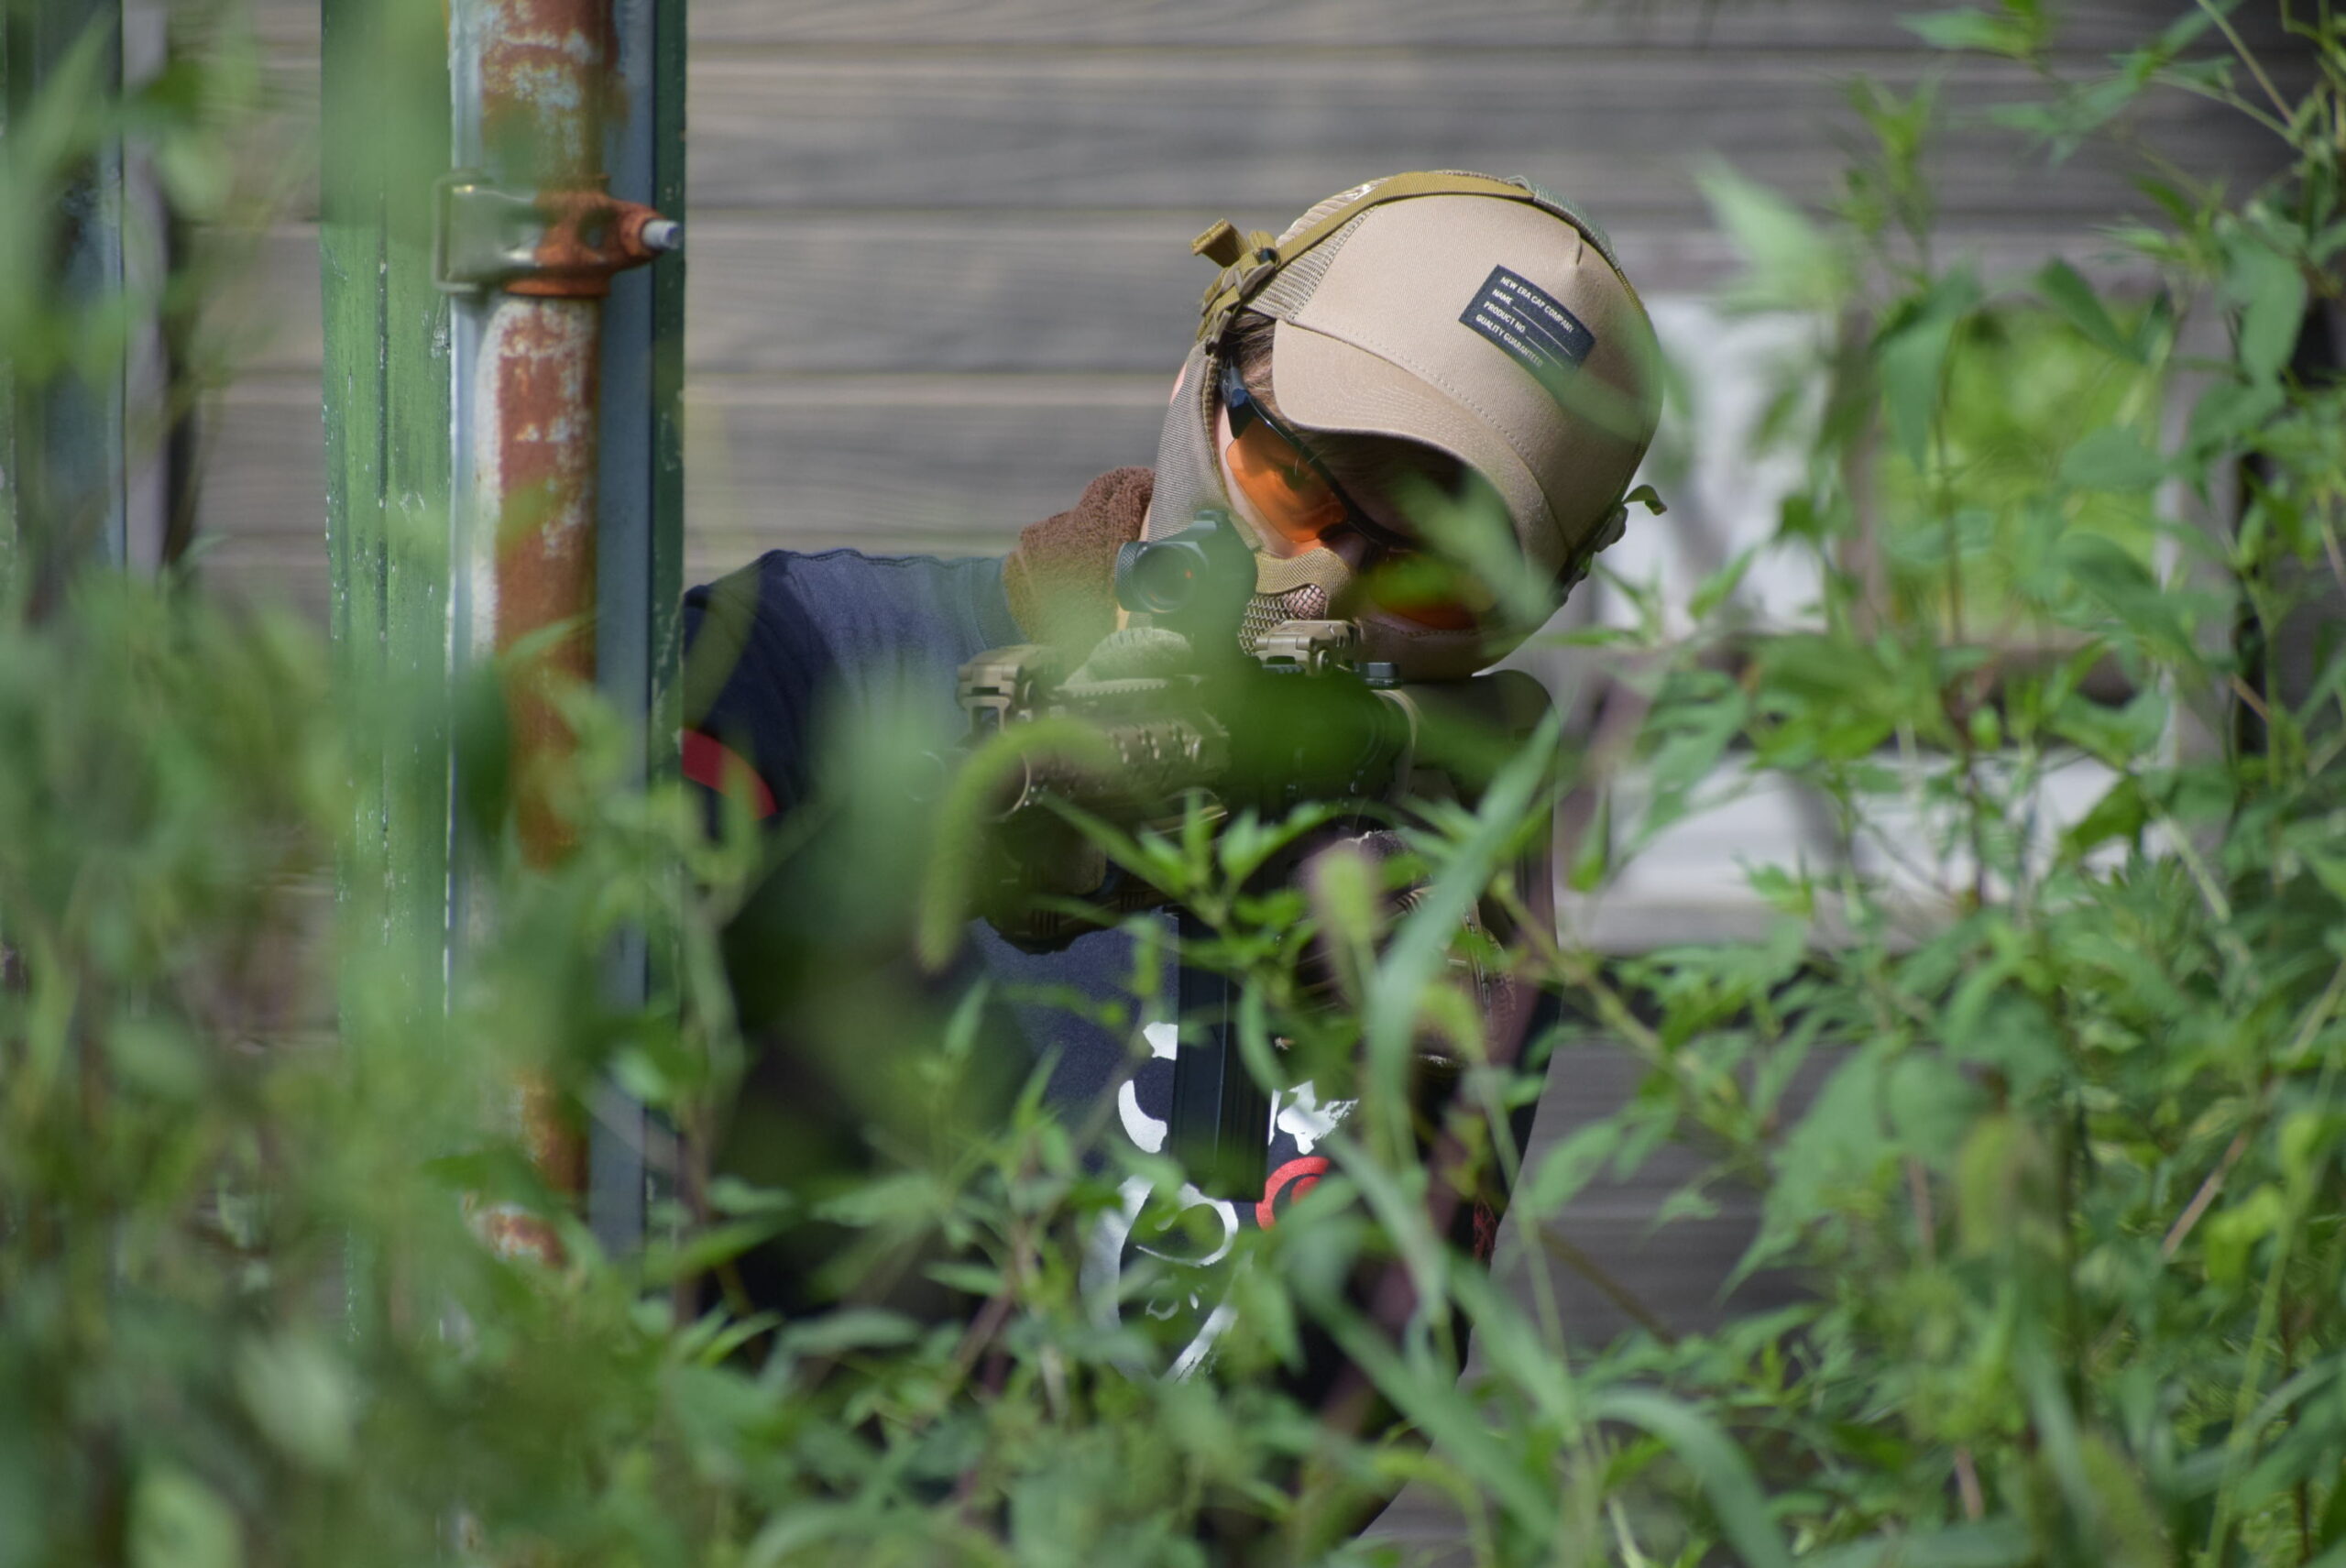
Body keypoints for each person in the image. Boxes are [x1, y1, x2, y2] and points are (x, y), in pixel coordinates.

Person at [678, 169, 1661, 1427]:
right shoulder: (801, 655)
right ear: (1209, 369)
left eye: (1431, 574)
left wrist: (1405, 1077)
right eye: (1297, 480)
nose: (1320, 581)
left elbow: (1346, 1433)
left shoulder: (1440, 840)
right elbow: (550, 1000)